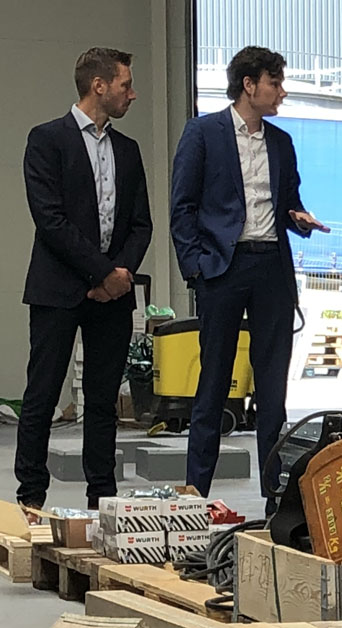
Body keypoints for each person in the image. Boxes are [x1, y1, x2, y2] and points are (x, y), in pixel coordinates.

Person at [170, 46, 328, 508]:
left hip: (271, 266)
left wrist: (300, 219)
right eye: (275, 83)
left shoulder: (281, 142)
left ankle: (274, 496)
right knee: (214, 381)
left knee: (273, 384)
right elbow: (182, 206)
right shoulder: (203, 133)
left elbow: (289, 200)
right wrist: (195, 267)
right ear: (249, 85)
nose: (282, 92)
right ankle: (196, 493)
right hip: (223, 266)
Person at [16, 48, 152, 520]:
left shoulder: (128, 150)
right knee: (42, 394)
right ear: (99, 86)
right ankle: (31, 496)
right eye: (125, 85)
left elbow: (141, 225)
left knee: (102, 401)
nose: (132, 94)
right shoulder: (46, 140)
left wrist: (120, 275)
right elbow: (50, 220)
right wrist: (102, 274)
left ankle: (102, 498)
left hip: (113, 294)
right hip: (58, 290)